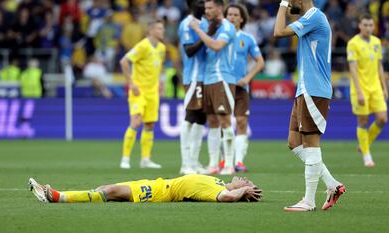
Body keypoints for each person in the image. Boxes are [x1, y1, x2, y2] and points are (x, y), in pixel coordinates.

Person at [274, 0, 345, 211]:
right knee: (293, 142)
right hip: (305, 89)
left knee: (311, 144)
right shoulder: (310, 18)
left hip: (315, 89)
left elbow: (278, 32)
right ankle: (332, 184)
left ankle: (309, 201)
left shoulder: (314, 16)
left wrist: (282, 4)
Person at [190, 0, 237, 175]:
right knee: (212, 122)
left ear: (219, 8)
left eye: (210, 8)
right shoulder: (212, 28)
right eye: (206, 8)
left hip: (222, 78)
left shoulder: (227, 27)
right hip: (208, 80)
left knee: (225, 120)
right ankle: (213, 164)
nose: (206, 11)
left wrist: (198, 30)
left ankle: (229, 164)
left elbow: (217, 46)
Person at [119, 20, 166, 169]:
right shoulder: (142, 46)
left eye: (162, 28)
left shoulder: (162, 48)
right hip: (138, 91)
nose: (162, 31)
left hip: (152, 92)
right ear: (151, 30)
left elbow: (159, 66)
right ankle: (125, 158)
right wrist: (131, 84)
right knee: (136, 121)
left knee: (150, 124)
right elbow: (124, 61)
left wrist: (161, 81)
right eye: (159, 28)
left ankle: (145, 159)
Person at [224, 3, 265, 172]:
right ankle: (223, 161)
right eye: (229, 14)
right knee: (223, 123)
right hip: (222, 85)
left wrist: (247, 78)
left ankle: (239, 161)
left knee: (241, 122)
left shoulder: (247, 39)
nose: (232, 17)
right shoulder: (220, 37)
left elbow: (260, 62)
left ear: (242, 18)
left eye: (235, 15)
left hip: (241, 86)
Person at [28, 174, 262, 203]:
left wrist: (242, 193)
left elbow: (228, 198)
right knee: (103, 187)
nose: (243, 179)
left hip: (159, 192)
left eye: (246, 182)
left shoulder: (218, 191)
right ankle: (58, 194)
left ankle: (56, 196)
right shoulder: (218, 182)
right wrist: (243, 189)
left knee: (108, 193)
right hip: (155, 183)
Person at [347, 14, 388, 168]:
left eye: (371, 25)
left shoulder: (377, 42)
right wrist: (358, 91)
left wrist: (384, 87)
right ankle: (366, 155)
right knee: (363, 121)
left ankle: (364, 144)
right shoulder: (353, 44)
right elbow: (353, 69)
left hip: (376, 87)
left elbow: (379, 66)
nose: (368, 28)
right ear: (360, 26)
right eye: (365, 25)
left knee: (382, 119)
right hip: (361, 88)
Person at [178, 0, 209, 175]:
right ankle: (185, 164)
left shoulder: (204, 23)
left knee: (200, 119)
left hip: (206, 78)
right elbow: (189, 50)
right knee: (190, 116)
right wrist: (207, 36)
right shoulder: (186, 24)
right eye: (199, 1)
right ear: (190, 4)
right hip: (193, 77)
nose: (203, 4)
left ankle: (195, 161)